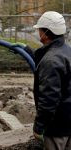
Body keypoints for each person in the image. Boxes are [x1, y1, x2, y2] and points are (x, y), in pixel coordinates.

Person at [11, 11, 71, 150]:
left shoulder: (51, 61)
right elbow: (47, 57)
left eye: (39, 29)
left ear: (45, 31)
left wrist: (39, 127)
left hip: (57, 127)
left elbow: (49, 98)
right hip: (68, 121)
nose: (38, 32)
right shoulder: (65, 50)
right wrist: (26, 49)